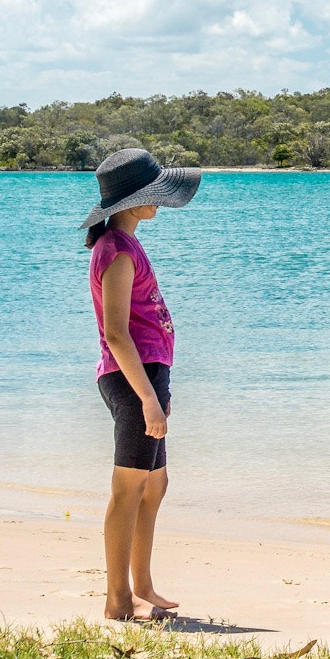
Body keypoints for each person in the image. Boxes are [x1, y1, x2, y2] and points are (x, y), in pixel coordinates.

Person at [81, 148, 201, 622]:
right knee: (128, 487)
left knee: (155, 485)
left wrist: (157, 389)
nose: (160, 202)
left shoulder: (125, 243)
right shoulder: (114, 251)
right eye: (153, 193)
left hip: (149, 375)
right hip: (134, 379)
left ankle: (142, 584)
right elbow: (115, 332)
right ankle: (117, 599)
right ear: (133, 200)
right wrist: (149, 399)